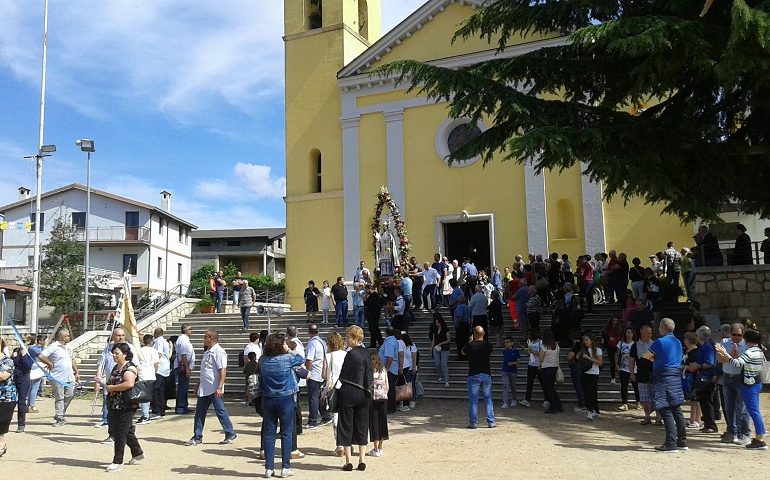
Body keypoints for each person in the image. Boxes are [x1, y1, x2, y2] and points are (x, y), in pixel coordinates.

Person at [259, 333, 304, 478]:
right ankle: (285, 467)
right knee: (286, 433)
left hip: (268, 398)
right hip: (286, 397)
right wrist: (288, 349)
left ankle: (269, 468)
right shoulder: (287, 358)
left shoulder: (263, 360)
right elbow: (300, 359)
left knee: (269, 433)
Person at [715, 329, 768, 450]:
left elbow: (737, 363)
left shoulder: (750, 351)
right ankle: (759, 436)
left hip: (749, 385)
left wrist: (726, 354)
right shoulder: (758, 350)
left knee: (753, 411)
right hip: (755, 383)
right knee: (754, 411)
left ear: (746, 339)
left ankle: (759, 439)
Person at [643, 318, 688, 452]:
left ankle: (670, 443)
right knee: (676, 408)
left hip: (662, 375)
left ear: (661, 328)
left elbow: (647, 356)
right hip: (675, 376)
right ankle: (682, 441)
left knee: (665, 408)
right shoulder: (678, 342)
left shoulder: (660, 342)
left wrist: (656, 359)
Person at [187, 329, 236, 446]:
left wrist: (220, 386)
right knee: (199, 412)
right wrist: (198, 384)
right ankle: (197, 436)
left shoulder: (219, 352)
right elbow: (205, 370)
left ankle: (230, 433)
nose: (203, 339)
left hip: (214, 388)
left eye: (205, 337)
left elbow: (222, 370)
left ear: (211, 338)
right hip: (205, 387)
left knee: (220, 411)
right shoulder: (208, 352)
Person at [336, 326, 374, 471]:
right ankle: (362, 459)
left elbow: (343, 375)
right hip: (364, 393)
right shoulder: (367, 354)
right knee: (362, 425)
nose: (346, 340)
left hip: (349, 392)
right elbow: (370, 375)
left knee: (346, 425)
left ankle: (348, 461)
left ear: (354, 338)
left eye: (348, 337)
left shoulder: (350, 355)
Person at [104, 343, 145, 472]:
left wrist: (112, 388)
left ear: (125, 354)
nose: (114, 356)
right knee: (125, 430)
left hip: (126, 405)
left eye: (117, 353)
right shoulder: (116, 367)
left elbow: (129, 383)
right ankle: (137, 452)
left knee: (120, 432)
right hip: (114, 403)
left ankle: (117, 461)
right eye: (113, 353)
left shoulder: (130, 368)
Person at [95, 328, 136, 428]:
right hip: (110, 382)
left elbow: (135, 365)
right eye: (118, 335)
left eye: (122, 335)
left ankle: (123, 430)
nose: (121, 337)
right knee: (110, 407)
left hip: (124, 386)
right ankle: (107, 422)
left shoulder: (130, 348)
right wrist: (98, 380)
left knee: (122, 416)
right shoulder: (107, 350)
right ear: (113, 337)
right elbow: (101, 364)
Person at [38, 327, 79, 427]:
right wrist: (50, 363)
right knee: (59, 397)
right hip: (57, 376)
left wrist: (77, 372)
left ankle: (60, 413)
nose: (69, 337)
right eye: (68, 335)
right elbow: (41, 356)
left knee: (70, 394)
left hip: (69, 376)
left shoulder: (69, 347)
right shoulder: (54, 346)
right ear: (63, 337)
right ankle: (60, 416)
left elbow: (72, 359)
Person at [719, 323, 751, 445]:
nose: (737, 337)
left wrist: (733, 358)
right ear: (730, 333)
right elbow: (719, 359)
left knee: (742, 407)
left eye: (739, 335)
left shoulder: (747, 345)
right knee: (729, 407)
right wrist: (731, 356)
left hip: (740, 377)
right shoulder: (725, 342)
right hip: (727, 376)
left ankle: (744, 433)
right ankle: (732, 432)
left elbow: (745, 362)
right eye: (734, 334)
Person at [462, 326, 495, 428]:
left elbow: (462, 352)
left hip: (473, 374)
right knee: (488, 399)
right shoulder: (488, 345)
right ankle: (491, 421)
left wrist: (470, 341)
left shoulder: (470, 345)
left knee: (473, 400)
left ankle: (473, 422)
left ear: (474, 334)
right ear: (483, 333)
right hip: (486, 373)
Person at [304, 324, 332, 429]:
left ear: (309, 332)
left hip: (314, 373)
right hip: (321, 372)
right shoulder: (322, 342)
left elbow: (309, 360)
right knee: (320, 397)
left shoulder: (312, 343)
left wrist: (307, 370)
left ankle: (312, 420)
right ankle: (325, 416)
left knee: (313, 398)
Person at [325, 332, 347, 456]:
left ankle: (339, 445)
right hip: (346, 386)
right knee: (347, 416)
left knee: (336, 416)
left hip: (333, 387)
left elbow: (324, 375)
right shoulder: (346, 354)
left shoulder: (329, 356)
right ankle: (347, 443)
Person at [629, 325, 656, 425]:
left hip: (654, 374)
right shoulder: (635, 346)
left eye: (651, 333)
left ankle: (658, 418)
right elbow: (631, 360)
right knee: (644, 398)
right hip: (641, 374)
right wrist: (631, 373)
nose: (650, 335)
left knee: (656, 396)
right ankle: (647, 417)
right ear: (642, 333)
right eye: (648, 333)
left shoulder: (655, 344)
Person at [577, 333, 602, 421]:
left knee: (591, 393)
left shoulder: (597, 350)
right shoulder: (583, 349)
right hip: (585, 372)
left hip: (594, 373)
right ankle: (595, 410)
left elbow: (600, 362)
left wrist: (588, 357)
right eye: (584, 340)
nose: (585, 341)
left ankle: (591, 411)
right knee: (586, 392)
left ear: (592, 340)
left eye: (587, 340)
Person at [368, 353, 389, 457]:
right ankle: (381, 447)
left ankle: (375, 448)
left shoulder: (370, 372)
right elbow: (387, 385)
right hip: (383, 399)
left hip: (373, 399)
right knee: (382, 422)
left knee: (374, 423)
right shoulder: (383, 370)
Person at [136, 334, 159, 425]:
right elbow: (156, 364)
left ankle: (145, 415)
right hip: (150, 374)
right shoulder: (154, 351)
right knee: (146, 396)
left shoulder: (140, 351)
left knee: (143, 396)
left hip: (142, 374)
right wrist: (154, 372)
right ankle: (145, 414)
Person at [11, 336, 33, 433]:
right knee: (10, 401)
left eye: (25, 341)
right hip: (14, 378)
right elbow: (12, 364)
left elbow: (27, 367)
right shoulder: (16, 350)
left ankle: (21, 424)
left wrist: (24, 356)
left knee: (21, 402)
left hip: (24, 379)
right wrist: (14, 357)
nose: (23, 343)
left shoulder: (30, 352)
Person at [539, 330, 563, 414]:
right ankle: (558, 405)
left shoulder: (544, 346)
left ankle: (553, 407)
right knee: (551, 387)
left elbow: (541, 358)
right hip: (554, 367)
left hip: (546, 368)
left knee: (549, 388)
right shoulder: (556, 345)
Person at [0, 339, 17, 456]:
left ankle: (1, 443)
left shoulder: (8, 361)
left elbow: (2, 377)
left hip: (6, 397)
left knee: (1, 423)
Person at [682, 332, 702, 429]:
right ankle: (691, 418)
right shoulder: (687, 350)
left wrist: (683, 367)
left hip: (693, 376)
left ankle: (697, 419)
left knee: (696, 399)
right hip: (687, 376)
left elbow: (693, 366)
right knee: (692, 399)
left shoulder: (695, 351)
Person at [378, 327, 401, 414]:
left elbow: (390, 357)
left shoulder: (389, 342)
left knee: (389, 389)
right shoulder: (393, 341)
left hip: (390, 369)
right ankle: (391, 407)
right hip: (392, 368)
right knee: (390, 388)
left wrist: (386, 369)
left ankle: (390, 408)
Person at [174, 324, 195, 415]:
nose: (191, 331)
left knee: (184, 387)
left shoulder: (184, 340)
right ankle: (181, 407)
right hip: (183, 367)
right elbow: (183, 355)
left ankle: (183, 405)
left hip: (183, 366)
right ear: (186, 330)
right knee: (183, 387)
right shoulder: (183, 340)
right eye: (190, 329)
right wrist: (187, 368)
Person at [617, 327, 639, 411]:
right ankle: (624, 403)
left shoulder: (636, 344)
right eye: (627, 332)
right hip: (623, 367)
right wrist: (616, 364)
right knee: (624, 386)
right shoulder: (621, 343)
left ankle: (638, 401)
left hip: (634, 368)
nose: (629, 334)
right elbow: (617, 353)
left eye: (631, 332)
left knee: (636, 386)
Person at [519, 330, 543, 408]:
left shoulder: (541, 342)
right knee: (529, 383)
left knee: (543, 383)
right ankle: (527, 399)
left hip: (538, 365)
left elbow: (541, 353)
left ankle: (547, 399)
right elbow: (530, 354)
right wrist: (526, 350)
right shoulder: (531, 343)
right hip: (531, 364)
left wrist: (532, 351)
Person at [151, 328, 170, 420]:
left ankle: (157, 410)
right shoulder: (165, 341)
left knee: (155, 389)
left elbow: (157, 354)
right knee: (161, 390)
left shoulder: (158, 342)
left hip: (159, 368)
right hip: (164, 368)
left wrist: (153, 365)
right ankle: (162, 410)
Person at [429, 312, 451, 386]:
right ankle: (440, 376)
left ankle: (446, 380)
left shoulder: (446, 329)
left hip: (444, 348)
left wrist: (441, 343)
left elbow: (449, 339)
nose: (436, 324)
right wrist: (431, 349)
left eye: (437, 322)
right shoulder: (435, 330)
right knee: (437, 364)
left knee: (443, 364)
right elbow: (433, 340)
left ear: (440, 323)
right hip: (436, 348)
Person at [26, 335, 46, 414]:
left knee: (30, 388)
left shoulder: (27, 347)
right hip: (34, 369)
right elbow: (42, 355)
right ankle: (31, 405)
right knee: (34, 388)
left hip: (30, 369)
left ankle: (28, 405)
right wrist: (45, 347)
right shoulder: (33, 348)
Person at [602, 315, 623, 384]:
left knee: (619, 360)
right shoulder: (607, 328)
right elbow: (603, 334)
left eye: (616, 321)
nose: (615, 322)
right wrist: (609, 337)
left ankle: (621, 376)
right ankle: (613, 377)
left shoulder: (620, 328)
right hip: (610, 345)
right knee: (612, 362)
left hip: (618, 345)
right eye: (613, 320)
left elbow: (621, 335)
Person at [500, 336, 520, 408]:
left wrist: (512, 363)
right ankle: (505, 402)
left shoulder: (516, 351)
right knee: (505, 386)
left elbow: (518, 361)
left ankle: (514, 399)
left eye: (508, 342)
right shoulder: (504, 351)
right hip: (505, 370)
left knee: (513, 386)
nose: (506, 344)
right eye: (505, 342)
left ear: (512, 343)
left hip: (513, 371)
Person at [364, 284, 384, 348]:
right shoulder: (370, 296)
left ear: (369, 289)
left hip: (374, 315)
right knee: (372, 330)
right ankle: (373, 343)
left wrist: (366, 301)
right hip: (371, 315)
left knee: (375, 329)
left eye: (366, 290)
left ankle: (381, 342)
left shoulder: (375, 295)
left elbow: (376, 306)